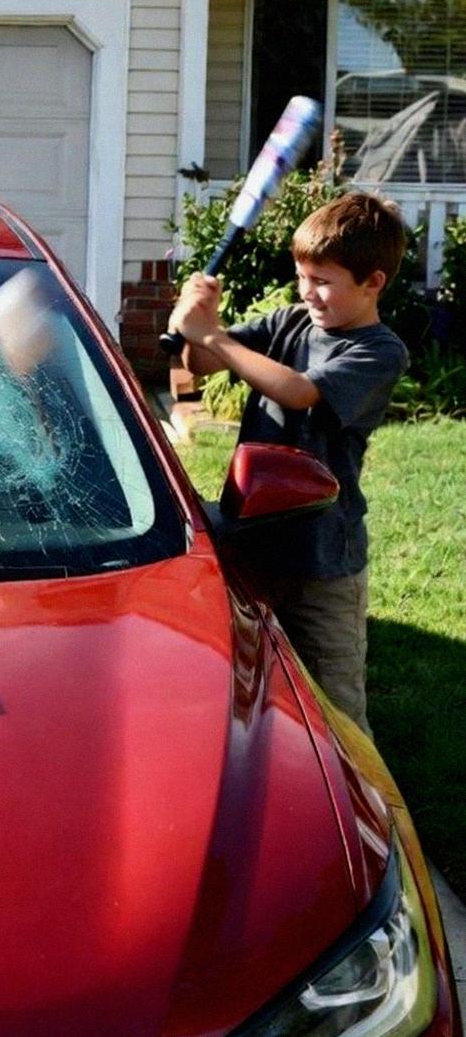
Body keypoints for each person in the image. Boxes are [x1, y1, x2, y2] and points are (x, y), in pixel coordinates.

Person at [169, 191, 409, 736]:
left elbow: (300, 391)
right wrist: (200, 324)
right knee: (255, 691)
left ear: (374, 282)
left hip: (323, 559)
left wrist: (213, 337)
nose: (309, 293)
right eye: (303, 276)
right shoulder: (289, 322)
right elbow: (204, 361)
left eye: (324, 280)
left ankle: (357, 809)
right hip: (252, 540)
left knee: (335, 707)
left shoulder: (378, 351)